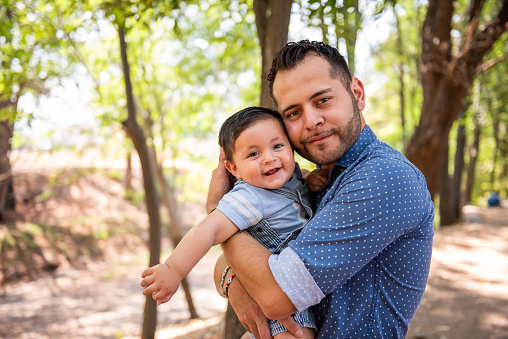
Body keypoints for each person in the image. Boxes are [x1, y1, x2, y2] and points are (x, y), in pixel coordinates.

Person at [208, 40, 435, 339]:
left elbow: (276, 296)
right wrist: (233, 282)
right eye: (293, 113)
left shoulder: (383, 176)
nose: (311, 121)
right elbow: (230, 263)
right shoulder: (313, 182)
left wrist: (221, 213)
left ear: (357, 94)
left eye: (323, 100)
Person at [141, 106, 329, 339]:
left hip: (296, 287)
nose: (269, 158)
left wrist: (310, 180)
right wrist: (173, 269)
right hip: (280, 294)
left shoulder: (289, 176)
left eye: (277, 146)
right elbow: (208, 228)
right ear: (232, 168)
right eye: (253, 154)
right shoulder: (249, 197)